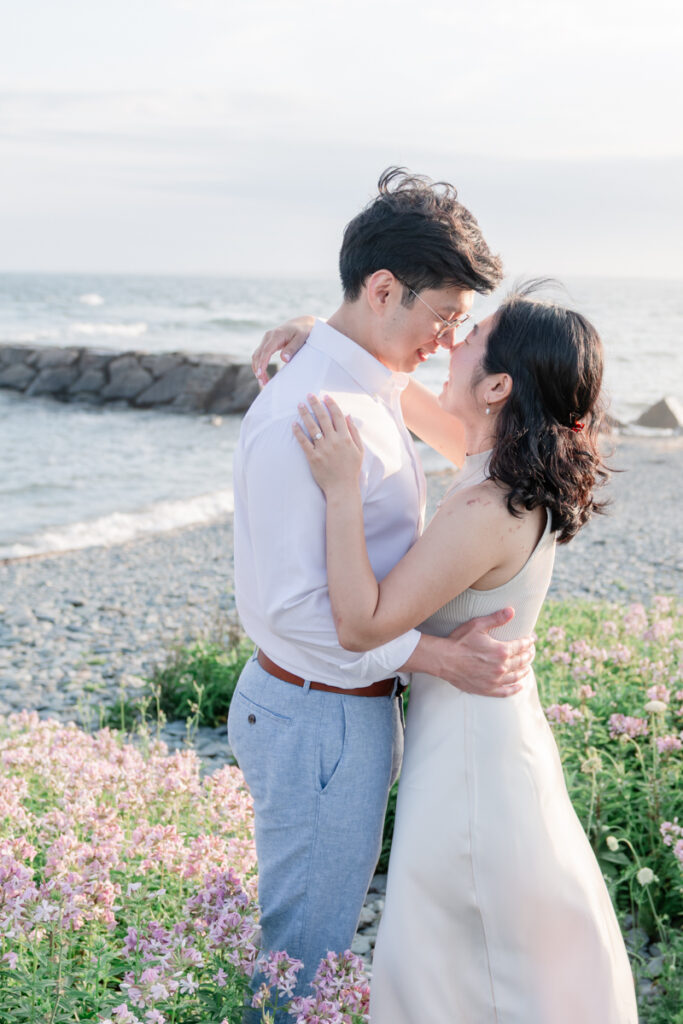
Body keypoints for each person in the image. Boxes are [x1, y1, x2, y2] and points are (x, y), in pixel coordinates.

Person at [228, 168, 536, 1020]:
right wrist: (438, 656)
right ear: (381, 288)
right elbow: (294, 610)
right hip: (315, 709)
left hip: (342, 707)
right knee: (304, 952)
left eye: (457, 324)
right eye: (441, 315)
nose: (446, 340)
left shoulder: (368, 387)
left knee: (314, 939)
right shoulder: (316, 411)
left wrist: (313, 329)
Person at [285, 287, 638, 1023]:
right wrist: (315, 333)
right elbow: (405, 398)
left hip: (468, 764)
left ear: (498, 386)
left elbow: (360, 624)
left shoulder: (487, 507)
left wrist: (341, 488)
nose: (448, 343)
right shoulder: (506, 470)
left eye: (469, 335)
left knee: (458, 958)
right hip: (490, 740)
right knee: (497, 956)